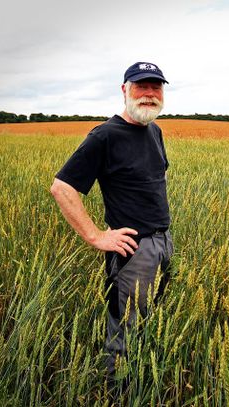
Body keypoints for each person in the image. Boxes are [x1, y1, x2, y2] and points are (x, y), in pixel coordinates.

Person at [50, 61, 174, 380]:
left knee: (149, 322)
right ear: (124, 90)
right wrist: (95, 236)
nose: (149, 94)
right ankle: (119, 392)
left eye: (155, 87)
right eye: (140, 86)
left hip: (163, 243)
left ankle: (143, 382)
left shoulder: (154, 131)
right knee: (125, 334)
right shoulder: (105, 135)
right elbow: (62, 187)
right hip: (132, 253)